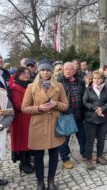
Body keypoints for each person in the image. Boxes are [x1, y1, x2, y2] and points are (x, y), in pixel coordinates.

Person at [21, 60, 69, 190]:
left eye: (48, 70)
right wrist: (39, 108)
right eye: (42, 70)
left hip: (54, 125)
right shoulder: (31, 87)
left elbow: (65, 106)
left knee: (54, 155)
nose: (45, 72)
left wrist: (56, 104)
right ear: (39, 71)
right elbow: (24, 108)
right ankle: (40, 182)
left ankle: (51, 181)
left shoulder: (58, 86)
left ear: (51, 72)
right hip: (38, 125)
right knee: (38, 156)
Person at [57, 62, 86, 169]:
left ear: (74, 71)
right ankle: (66, 159)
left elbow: (84, 96)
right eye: (66, 69)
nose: (68, 71)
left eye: (70, 69)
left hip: (79, 114)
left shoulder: (80, 81)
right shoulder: (59, 82)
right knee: (65, 140)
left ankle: (85, 154)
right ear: (63, 70)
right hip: (66, 115)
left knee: (83, 137)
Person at [83, 71, 107, 169]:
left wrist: (102, 109)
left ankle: (99, 156)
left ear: (103, 79)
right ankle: (89, 159)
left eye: (99, 78)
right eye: (95, 78)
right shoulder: (88, 89)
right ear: (92, 79)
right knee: (90, 140)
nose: (97, 80)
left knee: (101, 139)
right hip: (91, 118)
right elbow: (85, 102)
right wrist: (95, 108)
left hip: (103, 118)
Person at [9, 67, 34, 174]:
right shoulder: (16, 88)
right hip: (21, 119)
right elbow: (17, 105)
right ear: (18, 75)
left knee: (30, 141)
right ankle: (24, 164)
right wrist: (34, 106)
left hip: (29, 118)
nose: (26, 75)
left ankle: (28, 162)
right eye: (23, 73)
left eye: (28, 73)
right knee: (23, 141)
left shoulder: (29, 85)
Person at [0, 56, 14, 186]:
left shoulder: (3, 94)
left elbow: (10, 112)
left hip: (0, 128)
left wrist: (1, 125)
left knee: (0, 153)